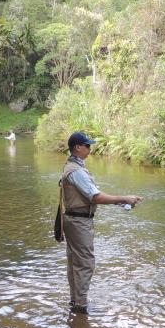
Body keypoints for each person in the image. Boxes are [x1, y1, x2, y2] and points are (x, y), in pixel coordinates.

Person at [61, 131, 142, 314]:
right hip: (79, 223)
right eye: (88, 146)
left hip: (74, 220)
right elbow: (96, 197)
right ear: (78, 148)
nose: (90, 149)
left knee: (75, 262)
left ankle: (75, 303)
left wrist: (117, 201)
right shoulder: (77, 171)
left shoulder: (72, 166)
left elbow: (90, 196)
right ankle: (80, 307)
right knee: (85, 263)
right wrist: (124, 198)